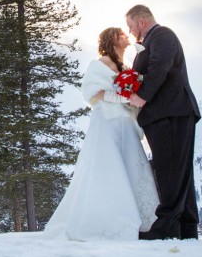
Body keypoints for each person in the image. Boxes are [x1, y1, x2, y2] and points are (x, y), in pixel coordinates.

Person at [43, 27, 158, 241]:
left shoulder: (126, 67)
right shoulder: (99, 64)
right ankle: (106, 222)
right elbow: (92, 93)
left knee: (132, 166)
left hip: (126, 123)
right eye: (121, 34)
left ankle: (144, 223)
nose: (126, 36)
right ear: (112, 39)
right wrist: (123, 97)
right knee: (108, 167)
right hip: (108, 122)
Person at [125, 5, 201, 240]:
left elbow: (160, 67)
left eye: (130, 26)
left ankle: (166, 228)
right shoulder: (149, 42)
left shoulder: (162, 35)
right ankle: (186, 229)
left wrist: (142, 95)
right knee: (179, 172)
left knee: (169, 170)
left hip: (171, 112)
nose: (130, 31)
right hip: (165, 114)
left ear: (142, 22)